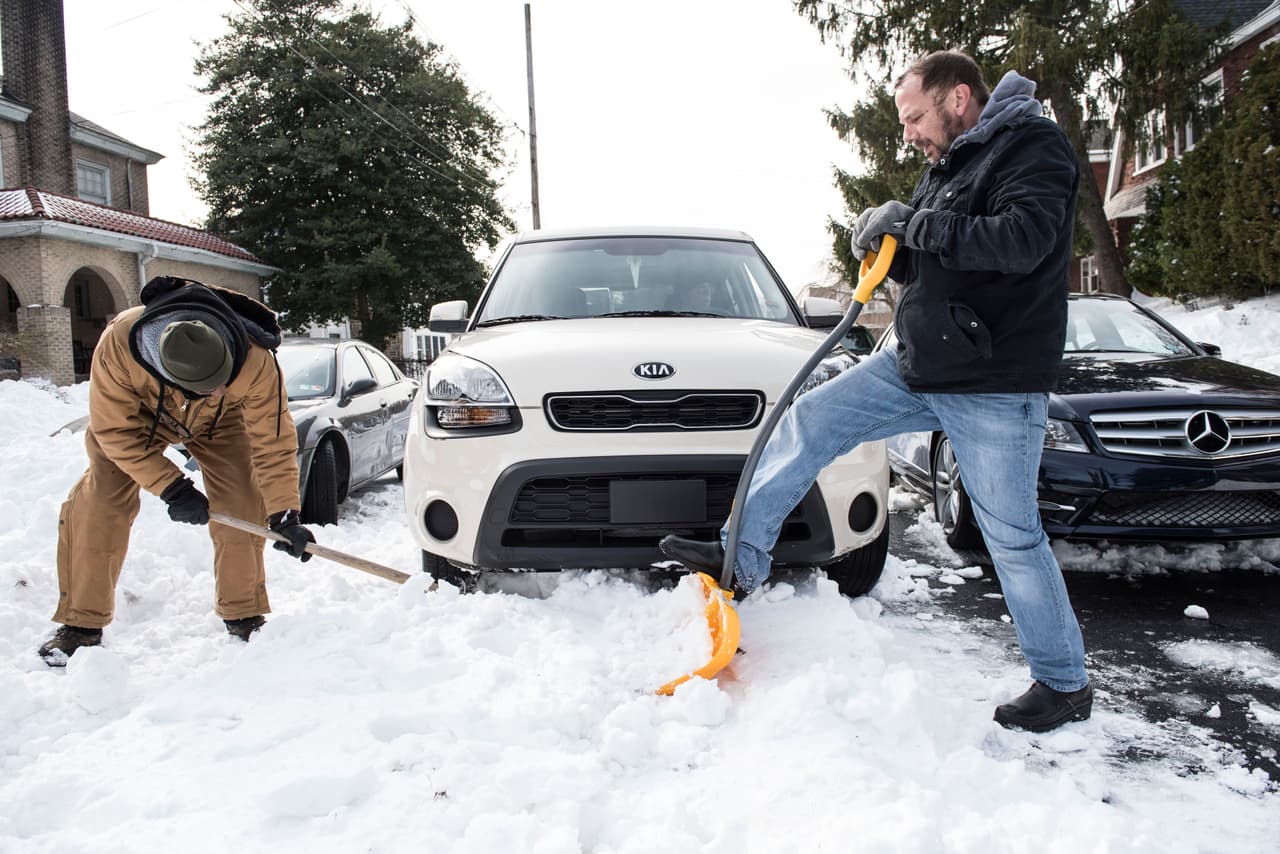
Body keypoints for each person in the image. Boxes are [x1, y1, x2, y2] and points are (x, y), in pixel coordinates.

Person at [660, 50, 1092, 733]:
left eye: (916, 116)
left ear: (957, 99)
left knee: (1010, 537)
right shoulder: (950, 164)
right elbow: (932, 251)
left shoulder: (1032, 146)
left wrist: (914, 223)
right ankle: (739, 558)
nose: (911, 133)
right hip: (920, 364)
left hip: (993, 382)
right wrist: (884, 234)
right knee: (810, 420)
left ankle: (1065, 683)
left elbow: (1021, 241)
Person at [38, 276, 316, 665]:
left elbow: (271, 439)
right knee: (101, 502)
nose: (219, 390)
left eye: (224, 383)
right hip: (136, 422)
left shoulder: (255, 360)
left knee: (241, 499)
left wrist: (285, 512)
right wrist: (172, 487)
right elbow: (113, 431)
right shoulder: (119, 344)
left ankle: (243, 612)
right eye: (208, 388)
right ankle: (81, 623)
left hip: (220, 424)